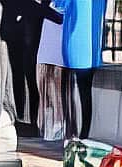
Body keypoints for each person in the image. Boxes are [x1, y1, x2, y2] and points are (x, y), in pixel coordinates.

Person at [0, 0, 59, 134]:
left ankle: (31, 120)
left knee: (29, 79)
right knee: (18, 76)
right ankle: (21, 117)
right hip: (15, 32)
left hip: (29, 35)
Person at [60, 0, 109, 140]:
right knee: (85, 92)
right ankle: (84, 134)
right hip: (92, 49)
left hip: (75, 44)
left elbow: (59, 6)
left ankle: (79, 134)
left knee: (75, 92)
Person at [35, 0, 70, 139]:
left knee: (57, 80)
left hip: (62, 24)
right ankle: (49, 125)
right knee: (45, 79)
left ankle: (59, 123)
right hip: (50, 26)